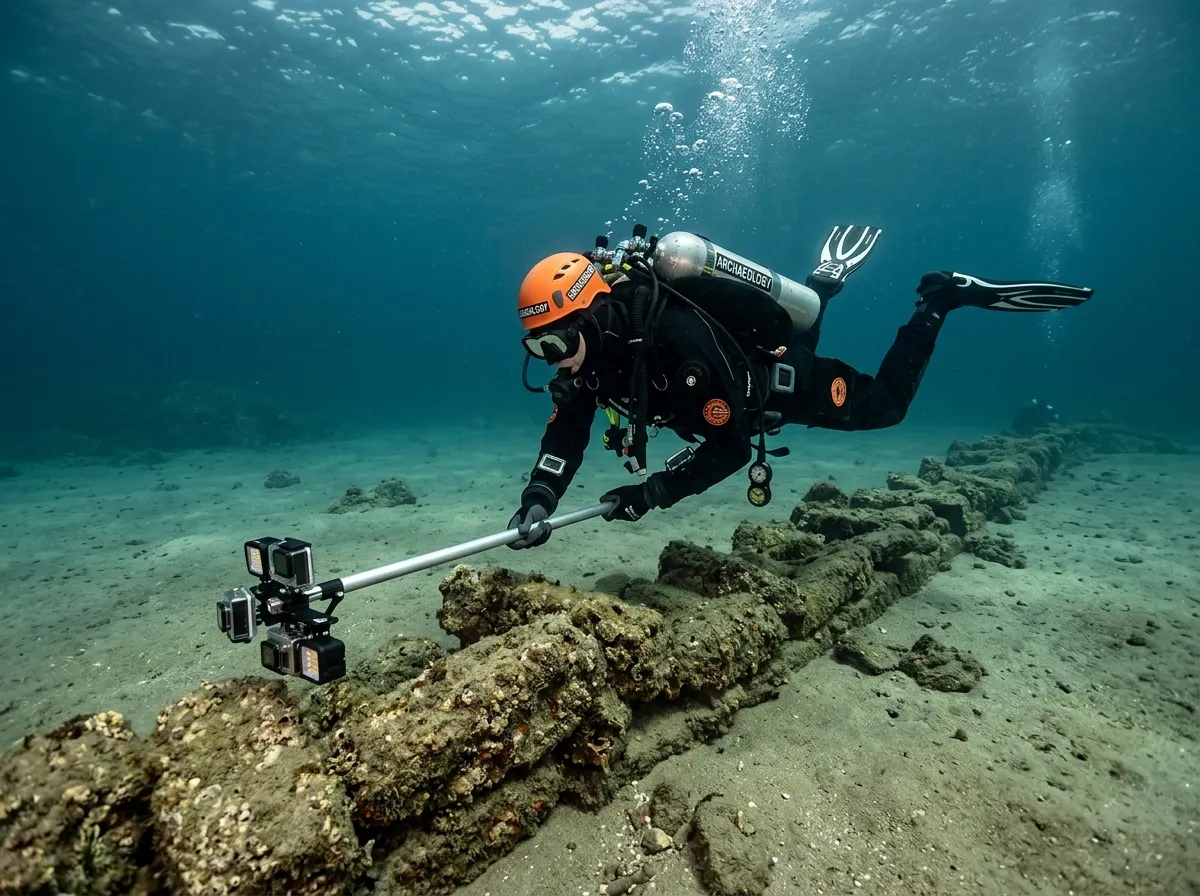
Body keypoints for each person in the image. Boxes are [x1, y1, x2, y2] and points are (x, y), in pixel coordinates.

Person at [507, 225, 1093, 548]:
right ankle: (819, 289)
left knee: (886, 407)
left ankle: (940, 299)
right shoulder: (591, 359)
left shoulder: (679, 345)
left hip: (775, 382)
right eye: (539, 349)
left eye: (556, 344)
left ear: (591, 318)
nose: (554, 363)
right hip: (736, 370)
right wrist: (540, 498)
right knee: (801, 323)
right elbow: (567, 433)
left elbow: (732, 447)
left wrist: (653, 493)